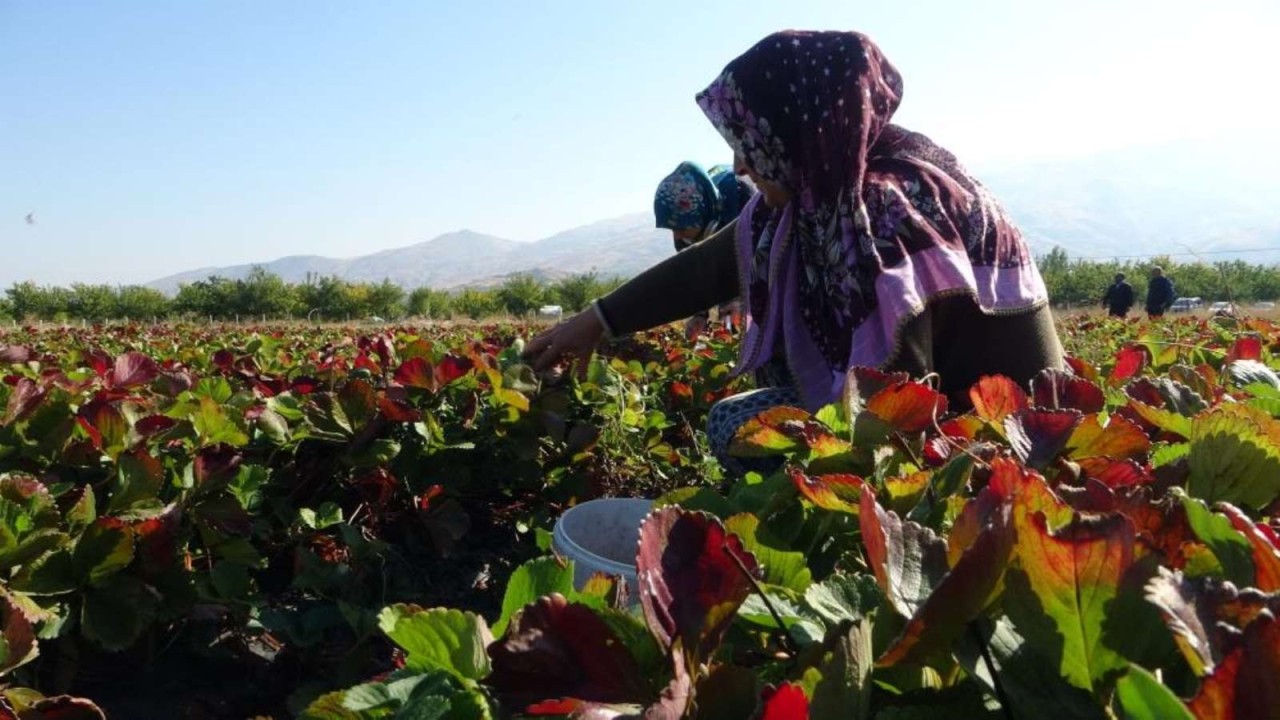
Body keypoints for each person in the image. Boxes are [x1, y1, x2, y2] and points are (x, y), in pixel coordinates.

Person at [525, 30, 1064, 469]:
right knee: (776, 388)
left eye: (749, 143)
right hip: (949, 406)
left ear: (795, 131)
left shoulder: (882, 208)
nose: (739, 165)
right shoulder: (819, 189)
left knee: (736, 425)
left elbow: (899, 399)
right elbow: (709, 268)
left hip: (1012, 439)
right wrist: (594, 321)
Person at [653, 162, 753, 337]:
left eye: (681, 228)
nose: (677, 236)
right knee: (729, 320)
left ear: (700, 216)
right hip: (723, 249)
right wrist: (700, 314)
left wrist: (742, 299)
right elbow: (700, 275)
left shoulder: (743, 205)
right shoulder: (684, 234)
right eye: (672, 229)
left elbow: (761, 263)